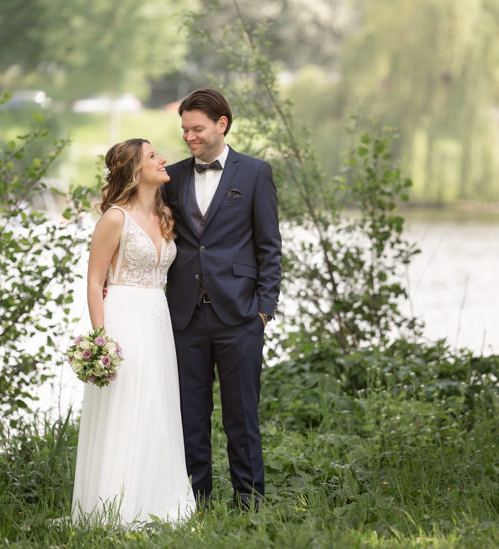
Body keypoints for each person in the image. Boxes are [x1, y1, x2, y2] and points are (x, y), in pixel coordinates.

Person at [160, 88, 282, 510]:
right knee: (190, 415)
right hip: (185, 317)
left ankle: (249, 503)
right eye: (184, 130)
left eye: (197, 129)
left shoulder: (254, 173)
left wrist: (264, 310)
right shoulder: (171, 177)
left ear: (221, 124)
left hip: (240, 315)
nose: (189, 137)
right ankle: (196, 501)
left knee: (242, 416)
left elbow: (269, 247)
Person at [72, 138, 195, 525]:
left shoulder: (165, 215)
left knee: (157, 406)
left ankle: (159, 501)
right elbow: (94, 282)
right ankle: (116, 505)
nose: (163, 159)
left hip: (158, 321)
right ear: (134, 170)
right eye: (152, 156)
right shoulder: (114, 218)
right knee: (126, 407)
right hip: (123, 319)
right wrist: (100, 340)